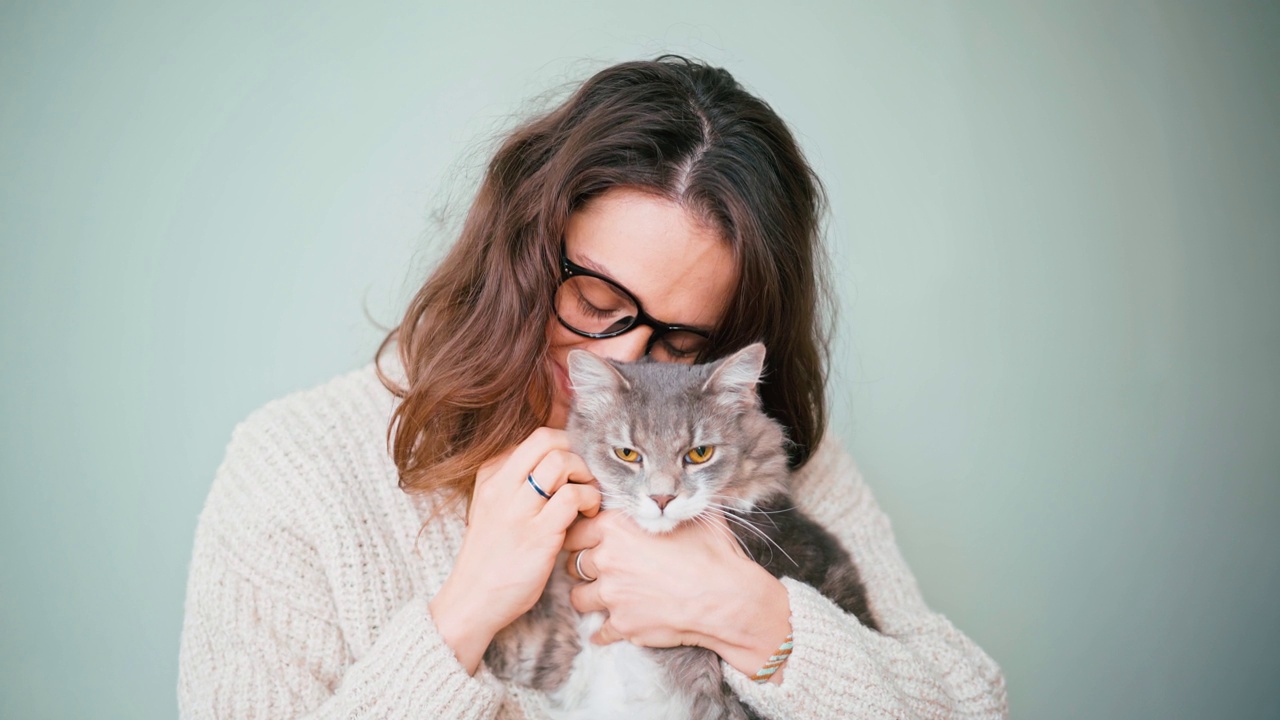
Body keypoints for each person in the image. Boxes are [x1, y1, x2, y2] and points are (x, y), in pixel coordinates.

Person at [177, 54, 1008, 719]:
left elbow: (972, 704)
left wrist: (753, 619)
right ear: (525, 249)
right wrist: (463, 614)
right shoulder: (295, 466)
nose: (619, 355)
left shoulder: (745, 456)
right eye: (598, 300)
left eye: (681, 339)